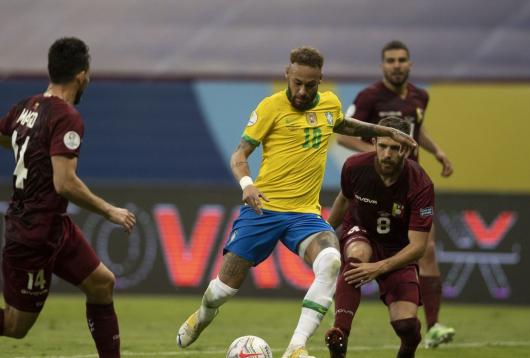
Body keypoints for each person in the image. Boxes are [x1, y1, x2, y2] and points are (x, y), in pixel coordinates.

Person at [176, 46, 417, 358]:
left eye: (311, 84)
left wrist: (384, 130)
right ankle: (204, 315)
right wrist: (247, 185)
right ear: (287, 76)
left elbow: (345, 125)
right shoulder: (270, 108)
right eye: (297, 83)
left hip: (303, 214)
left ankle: (296, 347)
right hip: (262, 209)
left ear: (320, 81)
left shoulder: (329, 104)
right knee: (222, 290)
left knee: (331, 261)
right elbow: (239, 155)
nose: (303, 91)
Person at [0, 37, 136, 358]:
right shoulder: (67, 117)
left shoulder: (25, 108)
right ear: (80, 76)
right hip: (31, 234)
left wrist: (30, 145)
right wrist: (109, 211)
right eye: (87, 73)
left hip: (55, 227)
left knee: (102, 283)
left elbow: (8, 135)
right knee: (17, 326)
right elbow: (64, 183)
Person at [336, 40, 455, 348]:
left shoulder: (420, 96)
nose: (397, 65)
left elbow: (417, 130)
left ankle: (434, 325)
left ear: (410, 64)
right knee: (359, 250)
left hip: (409, 188)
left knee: (425, 249)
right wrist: (378, 156)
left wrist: (438, 151)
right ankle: (341, 329)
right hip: (376, 187)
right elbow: (343, 135)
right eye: (390, 60)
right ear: (383, 65)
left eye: (402, 60)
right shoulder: (368, 97)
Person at [325, 117, 432, 358]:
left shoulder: (420, 184)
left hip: (398, 250)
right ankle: (339, 335)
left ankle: (408, 349)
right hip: (361, 231)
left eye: (394, 148)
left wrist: (378, 268)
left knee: (406, 326)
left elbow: (418, 247)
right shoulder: (354, 166)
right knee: (357, 254)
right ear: (373, 142)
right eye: (382, 146)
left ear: (406, 149)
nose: (386, 154)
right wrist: (324, 232)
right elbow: (344, 200)